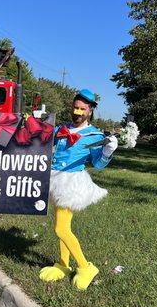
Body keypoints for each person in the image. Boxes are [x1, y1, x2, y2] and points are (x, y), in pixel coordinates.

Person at [39, 89, 118, 290]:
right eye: (75, 107)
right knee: (60, 225)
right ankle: (63, 265)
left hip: (71, 183)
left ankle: (85, 267)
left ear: (89, 111)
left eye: (82, 109)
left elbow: (98, 164)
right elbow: (43, 144)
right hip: (55, 178)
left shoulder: (94, 135)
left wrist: (108, 151)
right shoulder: (61, 129)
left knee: (61, 229)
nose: (77, 112)